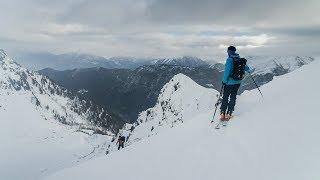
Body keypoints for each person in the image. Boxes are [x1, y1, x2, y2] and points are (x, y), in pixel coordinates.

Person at [220, 46, 254, 121]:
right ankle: (229, 112)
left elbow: (227, 72)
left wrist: (224, 81)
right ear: (235, 51)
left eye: (227, 51)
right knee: (233, 96)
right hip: (238, 82)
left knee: (225, 96)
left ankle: (223, 112)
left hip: (229, 83)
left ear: (229, 51)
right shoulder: (239, 59)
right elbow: (247, 68)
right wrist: (250, 71)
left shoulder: (229, 60)